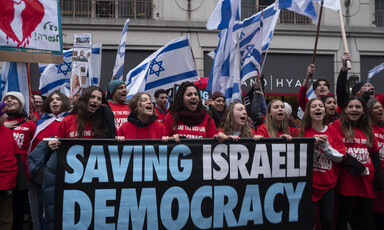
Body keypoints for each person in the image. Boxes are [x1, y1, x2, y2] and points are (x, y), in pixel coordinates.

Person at [333, 96, 384, 230]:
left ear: (363, 111)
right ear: (345, 110)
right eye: (350, 107)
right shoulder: (337, 125)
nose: (354, 110)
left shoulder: (368, 129)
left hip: (367, 181)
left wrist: (379, 177)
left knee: (365, 219)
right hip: (346, 181)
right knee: (344, 217)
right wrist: (357, 166)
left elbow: (374, 154)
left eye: (358, 107)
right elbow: (338, 151)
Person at [299, 98, 346, 230]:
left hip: (327, 185)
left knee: (327, 221)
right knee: (309, 222)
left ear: (325, 112)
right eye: (314, 106)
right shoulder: (302, 132)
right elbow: (300, 161)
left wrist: (325, 146)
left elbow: (341, 157)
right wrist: (313, 148)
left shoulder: (332, 131)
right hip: (307, 186)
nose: (318, 108)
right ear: (308, 112)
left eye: (320, 106)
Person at [27, 92, 71, 230]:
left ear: (64, 101)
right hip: (45, 174)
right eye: (51, 100)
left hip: (67, 172)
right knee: (45, 210)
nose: (54, 102)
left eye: (58, 99)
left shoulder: (72, 120)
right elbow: (35, 149)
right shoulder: (41, 123)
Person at [3, 91, 35, 230]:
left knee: (19, 208)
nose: (9, 100)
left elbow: (35, 147)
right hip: (4, 175)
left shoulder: (30, 124)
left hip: (22, 174)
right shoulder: (2, 122)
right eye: (6, 99)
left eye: (13, 98)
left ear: (21, 104)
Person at [0, 102, 18, 230]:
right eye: (3, 113)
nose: (6, 116)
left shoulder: (7, 131)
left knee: (5, 219)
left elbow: (15, 155)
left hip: (7, 185)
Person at [367, 98, 384, 230]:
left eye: (381, 107)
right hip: (374, 180)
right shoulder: (367, 130)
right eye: (376, 107)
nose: (380, 109)